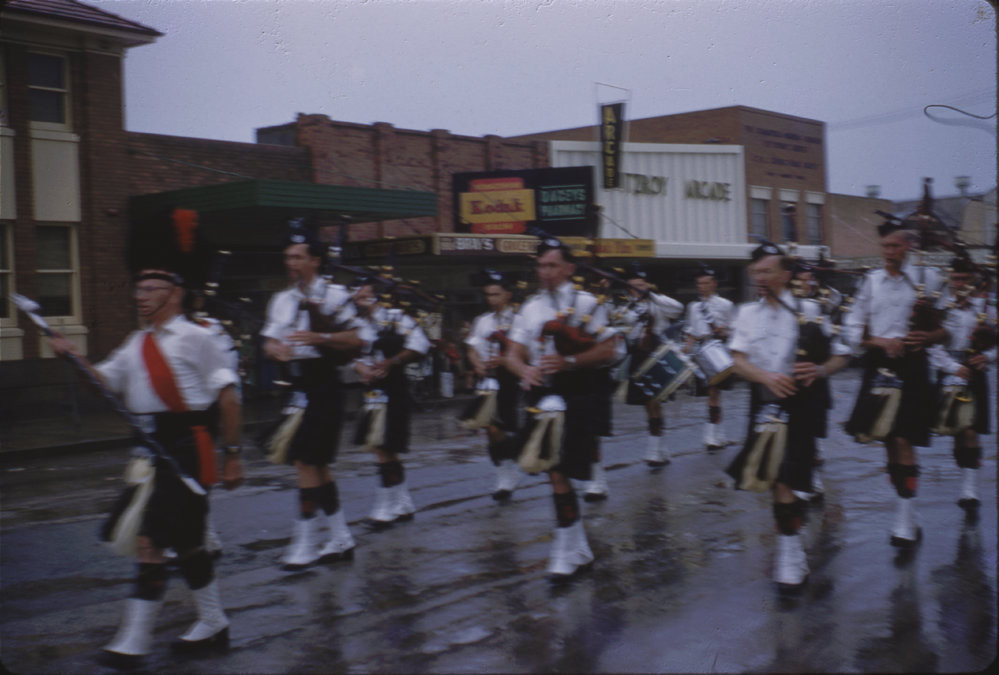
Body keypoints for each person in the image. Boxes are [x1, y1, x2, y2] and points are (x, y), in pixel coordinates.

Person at [49, 208, 244, 665]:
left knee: (150, 542)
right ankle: (214, 621)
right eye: (138, 287)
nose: (140, 295)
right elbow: (102, 381)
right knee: (188, 542)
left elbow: (230, 399)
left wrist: (232, 455)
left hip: (188, 447)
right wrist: (73, 356)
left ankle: (132, 641)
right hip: (152, 451)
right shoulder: (135, 343)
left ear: (174, 293)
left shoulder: (198, 339)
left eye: (150, 288)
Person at [725, 241, 851, 591]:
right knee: (776, 478)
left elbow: (842, 355)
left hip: (801, 403)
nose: (760, 278)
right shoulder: (747, 314)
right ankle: (789, 549)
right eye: (755, 272)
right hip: (764, 400)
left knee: (792, 477)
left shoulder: (811, 310)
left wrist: (820, 371)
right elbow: (738, 360)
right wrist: (765, 377)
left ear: (784, 274)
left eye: (766, 271)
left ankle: (791, 550)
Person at [505, 236, 622, 579]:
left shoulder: (589, 303)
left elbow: (611, 350)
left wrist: (570, 361)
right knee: (554, 471)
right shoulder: (530, 308)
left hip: (579, 391)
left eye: (553, 265)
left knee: (562, 471)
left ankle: (568, 550)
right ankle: (572, 549)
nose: (545, 272)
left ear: (569, 268)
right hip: (542, 393)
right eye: (541, 266)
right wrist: (523, 369)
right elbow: (513, 352)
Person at [260, 226, 363, 570]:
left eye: (297, 257)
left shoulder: (336, 295)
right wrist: (277, 352)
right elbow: (269, 342)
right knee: (317, 465)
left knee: (304, 462)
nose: (290, 263)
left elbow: (356, 340)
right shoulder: (282, 300)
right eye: (287, 256)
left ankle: (304, 541)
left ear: (314, 261)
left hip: (324, 386)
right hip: (296, 386)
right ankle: (339, 536)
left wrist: (320, 338)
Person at [843, 218, 948, 547]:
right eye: (884, 247)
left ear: (909, 246)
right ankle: (908, 507)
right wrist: (879, 342)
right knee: (887, 439)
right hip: (879, 364)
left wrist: (929, 336)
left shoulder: (929, 279)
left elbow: (950, 328)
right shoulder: (871, 283)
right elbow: (852, 329)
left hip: (913, 365)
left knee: (904, 439)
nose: (888, 252)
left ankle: (903, 518)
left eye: (895, 246)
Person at [351, 277, 432, 527]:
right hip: (373, 391)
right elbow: (351, 355)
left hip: (395, 388)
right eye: (356, 294)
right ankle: (403, 502)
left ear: (375, 295)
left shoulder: (397, 318)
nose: (358, 298)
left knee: (386, 447)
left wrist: (391, 362)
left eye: (363, 293)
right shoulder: (355, 324)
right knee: (383, 448)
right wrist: (361, 369)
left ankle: (385, 506)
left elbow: (420, 344)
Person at [928, 257, 996, 517]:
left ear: (972, 281)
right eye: (955, 279)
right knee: (957, 430)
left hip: (974, 374)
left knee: (969, 428)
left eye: (964, 280)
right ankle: (965, 466)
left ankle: (970, 489)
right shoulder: (941, 307)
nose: (958, 285)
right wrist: (951, 366)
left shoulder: (985, 308)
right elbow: (931, 346)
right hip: (949, 372)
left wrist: (987, 357)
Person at [616, 263, 684, 469]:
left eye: (643, 284)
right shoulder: (625, 308)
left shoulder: (658, 302)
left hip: (658, 353)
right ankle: (660, 447)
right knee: (648, 403)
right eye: (636, 285)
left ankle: (654, 450)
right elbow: (624, 329)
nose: (640, 288)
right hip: (639, 354)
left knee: (655, 401)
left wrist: (652, 295)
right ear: (629, 287)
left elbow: (678, 308)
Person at [463, 270, 524, 501]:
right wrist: (477, 364)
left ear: (507, 295)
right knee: (489, 428)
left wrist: (507, 360)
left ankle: (512, 463)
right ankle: (504, 475)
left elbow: (526, 351)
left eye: (496, 294)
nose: (492, 299)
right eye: (488, 295)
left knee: (502, 427)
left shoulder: (519, 320)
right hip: (487, 379)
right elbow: (471, 348)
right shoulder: (482, 321)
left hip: (511, 379)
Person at [788, 260, 843, 502]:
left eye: (809, 280)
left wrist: (822, 279)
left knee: (811, 428)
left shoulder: (818, 305)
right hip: (788, 373)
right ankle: (801, 480)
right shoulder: (784, 304)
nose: (805, 284)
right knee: (795, 431)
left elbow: (836, 302)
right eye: (800, 279)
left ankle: (813, 480)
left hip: (812, 372)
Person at [683, 263, 736, 450]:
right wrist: (686, 350)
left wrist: (725, 330)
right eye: (699, 283)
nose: (702, 287)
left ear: (714, 284)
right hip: (700, 350)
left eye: (706, 283)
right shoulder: (693, 306)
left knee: (714, 393)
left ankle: (713, 435)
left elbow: (735, 330)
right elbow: (691, 330)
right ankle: (715, 434)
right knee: (711, 393)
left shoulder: (725, 305)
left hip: (718, 349)